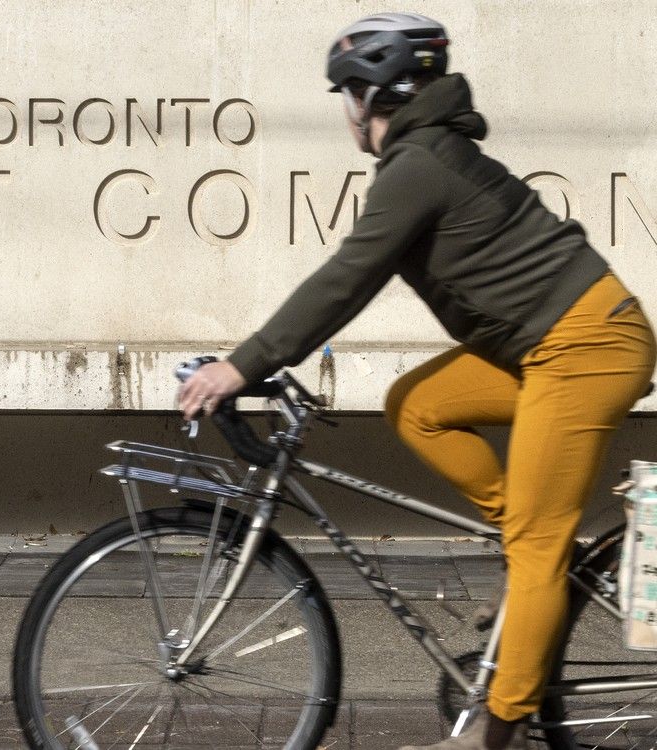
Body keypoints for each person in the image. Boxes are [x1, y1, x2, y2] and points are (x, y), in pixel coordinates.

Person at [177, 12, 656, 750]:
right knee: (420, 405)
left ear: (371, 96)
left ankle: (493, 729)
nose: (346, 113)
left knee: (537, 540)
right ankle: (533, 557)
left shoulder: (421, 167)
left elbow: (345, 279)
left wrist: (242, 365)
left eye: (347, 95)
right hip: (551, 343)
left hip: (587, 345)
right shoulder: (423, 159)